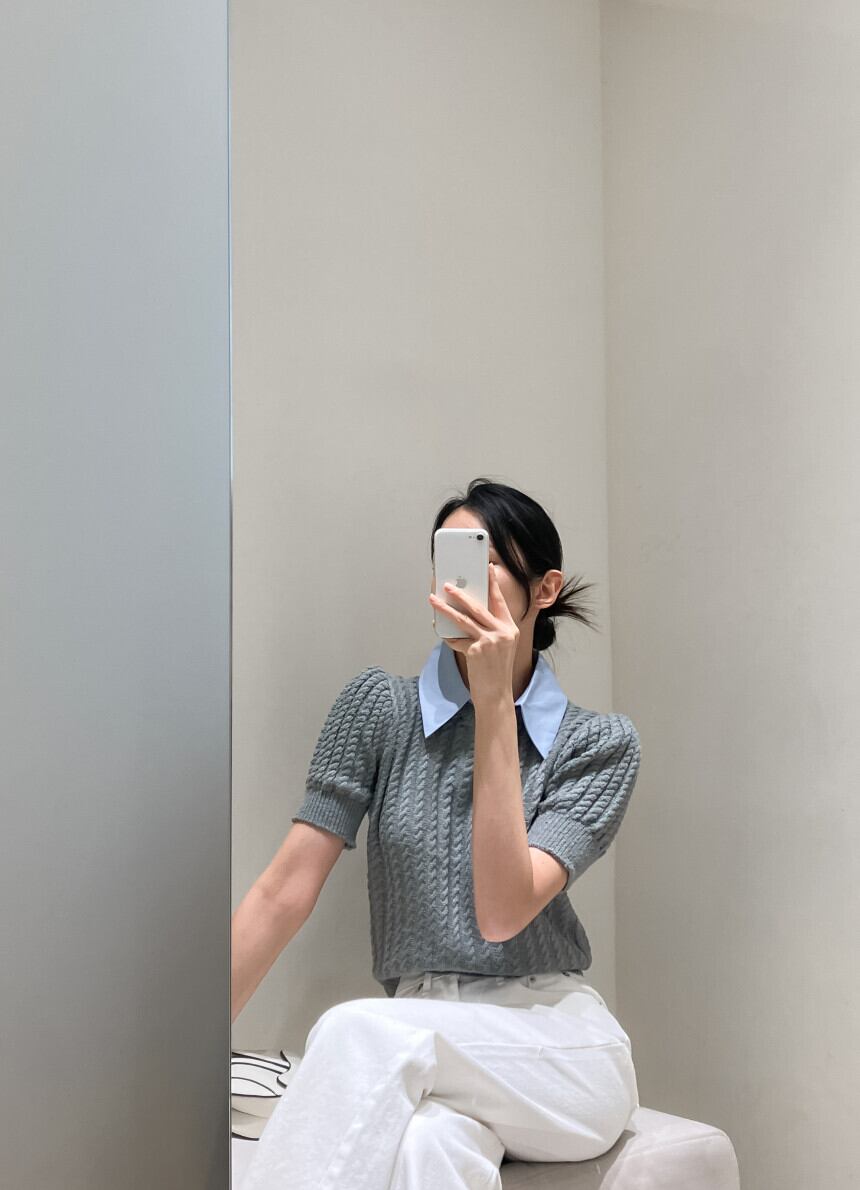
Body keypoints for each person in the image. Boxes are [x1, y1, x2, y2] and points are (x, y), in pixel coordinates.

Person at [232, 477, 642, 1190]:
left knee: (354, 1030)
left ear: (544, 589)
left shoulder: (598, 744)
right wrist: (181, 1053)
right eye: (447, 561)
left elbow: (502, 911)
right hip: (422, 1034)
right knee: (425, 1149)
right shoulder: (379, 709)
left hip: (554, 1046)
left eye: (486, 561)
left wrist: (493, 702)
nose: (458, 585)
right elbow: (282, 892)